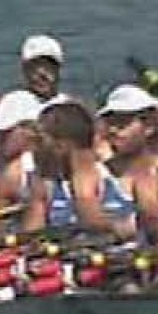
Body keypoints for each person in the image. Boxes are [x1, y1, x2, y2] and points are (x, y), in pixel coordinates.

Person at [22, 100, 137, 239]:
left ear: (61, 146)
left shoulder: (125, 177)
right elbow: (30, 239)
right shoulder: (44, 185)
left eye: (40, 141)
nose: (34, 149)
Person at [96, 84, 158, 242]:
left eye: (122, 123)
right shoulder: (98, 174)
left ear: (149, 127)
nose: (114, 130)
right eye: (110, 122)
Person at [18, 34, 65, 102]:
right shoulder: (6, 103)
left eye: (48, 67)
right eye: (34, 68)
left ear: (59, 71)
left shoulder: (72, 107)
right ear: (24, 71)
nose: (42, 74)